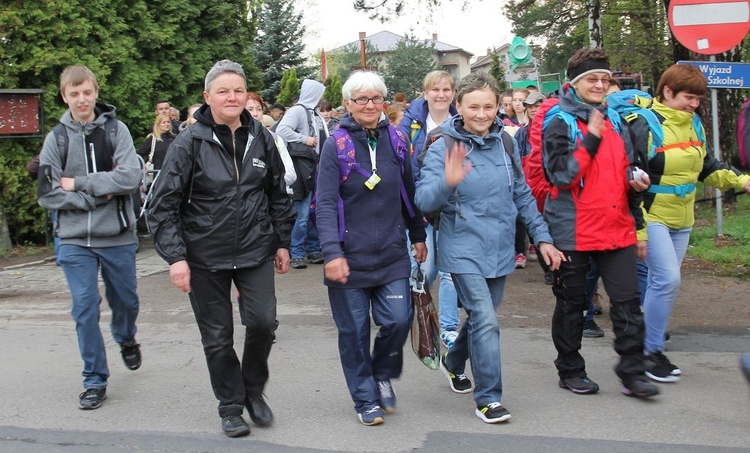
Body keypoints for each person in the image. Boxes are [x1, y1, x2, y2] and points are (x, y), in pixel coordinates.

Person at [147, 60, 296, 437]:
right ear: (207, 97)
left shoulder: (262, 137)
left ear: (246, 95)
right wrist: (176, 257)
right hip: (203, 256)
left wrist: (281, 241)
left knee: (263, 323)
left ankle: (253, 391)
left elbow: (279, 193)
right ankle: (230, 406)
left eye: (239, 90)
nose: (232, 97)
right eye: (223, 91)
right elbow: (161, 206)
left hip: (255, 249)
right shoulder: (188, 142)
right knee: (217, 336)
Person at [416, 72, 564, 424]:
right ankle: (489, 398)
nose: (481, 114)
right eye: (473, 107)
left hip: (498, 248)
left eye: (488, 106)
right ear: (460, 107)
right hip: (461, 246)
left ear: (498, 106)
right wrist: (447, 183)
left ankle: (453, 362)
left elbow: (522, 195)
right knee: (486, 318)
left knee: (481, 319)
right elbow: (423, 200)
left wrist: (542, 238)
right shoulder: (443, 146)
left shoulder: (505, 143)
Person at [541, 48, 658, 398]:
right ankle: (571, 370)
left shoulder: (618, 121)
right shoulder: (558, 121)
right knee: (572, 304)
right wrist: (590, 137)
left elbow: (626, 171)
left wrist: (636, 184)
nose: (600, 85)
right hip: (572, 231)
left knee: (627, 304)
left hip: (617, 226)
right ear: (573, 84)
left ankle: (632, 371)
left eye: (605, 80)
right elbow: (560, 175)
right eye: (592, 79)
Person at [316, 70, 427, 426]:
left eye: (375, 98)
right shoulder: (337, 144)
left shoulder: (396, 140)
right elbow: (326, 203)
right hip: (348, 259)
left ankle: (381, 374)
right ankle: (366, 400)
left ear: (384, 101)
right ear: (347, 104)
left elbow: (408, 191)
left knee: (398, 320)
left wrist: (418, 234)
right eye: (360, 99)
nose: (369, 105)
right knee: (355, 332)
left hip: (392, 254)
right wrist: (332, 252)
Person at [37, 65, 142, 411]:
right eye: (73, 94)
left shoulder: (117, 130)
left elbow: (129, 178)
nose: (81, 100)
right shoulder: (57, 138)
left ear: (96, 92)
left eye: (86, 92)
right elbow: (48, 193)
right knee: (85, 306)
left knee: (125, 302)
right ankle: (95, 380)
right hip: (73, 239)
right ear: (64, 96)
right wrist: (96, 195)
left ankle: (126, 337)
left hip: (117, 235)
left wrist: (79, 183)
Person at [636, 64, 750, 383]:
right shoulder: (643, 124)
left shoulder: (694, 124)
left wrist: (741, 181)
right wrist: (637, 229)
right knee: (667, 280)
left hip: (683, 216)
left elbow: (707, 167)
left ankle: (643, 344)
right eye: (689, 97)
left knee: (665, 284)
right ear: (667, 92)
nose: (694, 104)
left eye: (698, 99)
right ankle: (649, 351)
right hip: (651, 215)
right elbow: (628, 175)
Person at [398, 70, 461, 349]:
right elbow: (404, 167)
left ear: (453, 93)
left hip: (451, 209)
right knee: (426, 268)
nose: (441, 94)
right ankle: (413, 314)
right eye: (435, 90)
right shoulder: (410, 125)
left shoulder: (461, 123)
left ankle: (448, 327)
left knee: (449, 270)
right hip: (419, 207)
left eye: (446, 89)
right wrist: (418, 202)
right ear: (425, 93)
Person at [276, 79, 329, 269]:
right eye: (320, 93)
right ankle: (297, 251)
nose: (322, 97)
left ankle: (313, 248)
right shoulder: (298, 111)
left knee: (314, 212)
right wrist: (304, 139)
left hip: (316, 169)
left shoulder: (314, 114)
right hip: (303, 169)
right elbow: (281, 130)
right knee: (303, 213)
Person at [245, 92, 297, 193]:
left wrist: (267, 180)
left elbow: (291, 174)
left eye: (259, 109)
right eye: (250, 109)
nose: (255, 113)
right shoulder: (233, 137)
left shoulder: (274, 138)